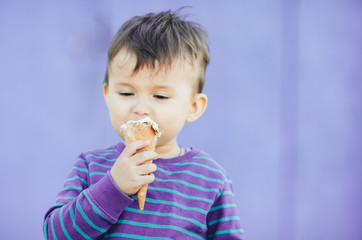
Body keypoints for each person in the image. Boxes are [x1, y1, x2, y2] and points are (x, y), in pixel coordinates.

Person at [43, 8, 245, 240]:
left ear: (193, 107)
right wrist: (113, 187)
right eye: (127, 93)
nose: (140, 108)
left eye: (160, 96)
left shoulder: (211, 179)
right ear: (108, 95)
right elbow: (55, 234)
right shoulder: (90, 166)